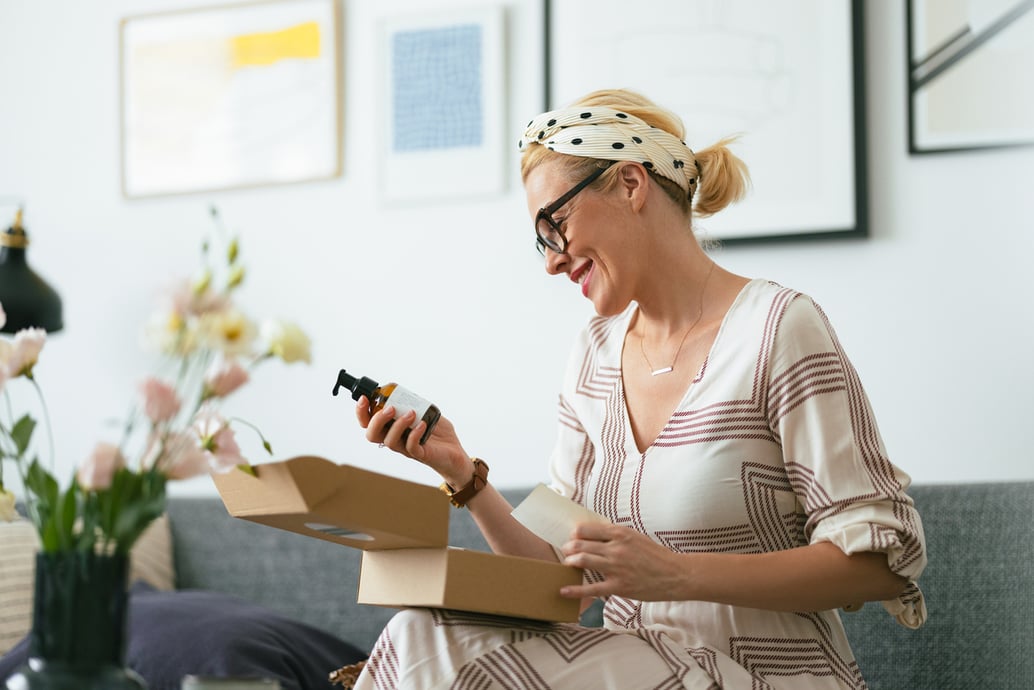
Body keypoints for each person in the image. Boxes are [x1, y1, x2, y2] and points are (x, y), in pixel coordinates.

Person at [348, 89, 927, 689]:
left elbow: (878, 562)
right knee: (420, 633)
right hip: (636, 670)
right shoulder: (593, 356)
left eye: (555, 225)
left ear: (630, 184)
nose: (551, 262)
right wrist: (463, 474)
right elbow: (559, 584)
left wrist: (678, 575)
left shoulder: (777, 328)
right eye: (540, 241)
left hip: (769, 677)